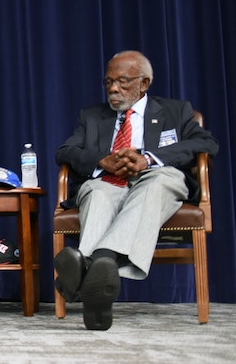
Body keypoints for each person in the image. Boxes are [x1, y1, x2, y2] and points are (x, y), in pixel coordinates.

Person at [54, 50, 218, 330]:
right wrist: (101, 160)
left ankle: (93, 264)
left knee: (157, 183)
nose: (114, 88)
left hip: (156, 178)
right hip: (109, 180)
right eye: (108, 82)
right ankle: (99, 275)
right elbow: (65, 151)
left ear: (144, 83)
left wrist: (148, 159)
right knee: (98, 192)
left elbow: (205, 144)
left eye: (123, 81)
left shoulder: (175, 111)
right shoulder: (92, 116)